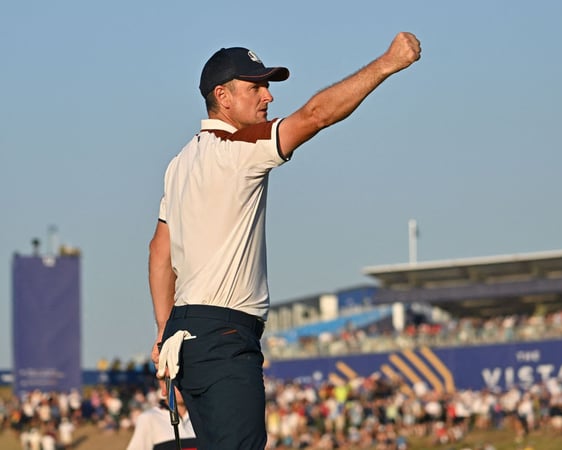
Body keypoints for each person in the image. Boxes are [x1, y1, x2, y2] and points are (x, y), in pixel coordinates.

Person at [148, 32, 421, 450]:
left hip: (187, 337)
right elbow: (315, 116)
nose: (268, 96)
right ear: (222, 96)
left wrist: (165, 332)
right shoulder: (238, 148)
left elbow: (159, 251)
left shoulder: (180, 162)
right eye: (256, 86)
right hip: (224, 336)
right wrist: (387, 63)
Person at [126, 385, 197, 450]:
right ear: (163, 384)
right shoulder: (149, 418)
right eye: (175, 381)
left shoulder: (202, 417)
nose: (181, 387)